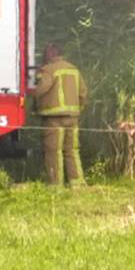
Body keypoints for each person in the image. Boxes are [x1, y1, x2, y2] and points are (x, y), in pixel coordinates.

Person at [32, 43, 88, 186]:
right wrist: (77, 109)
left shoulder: (48, 70)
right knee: (72, 150)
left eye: (46, 52)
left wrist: (31, 93)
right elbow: (83, 93)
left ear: (51, 53)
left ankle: (55, 184)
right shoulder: (74, 69)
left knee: (53, 151)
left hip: (53, 118)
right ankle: (77, 183)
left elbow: (40, 89)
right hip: (72, 117)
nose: (44, 55)